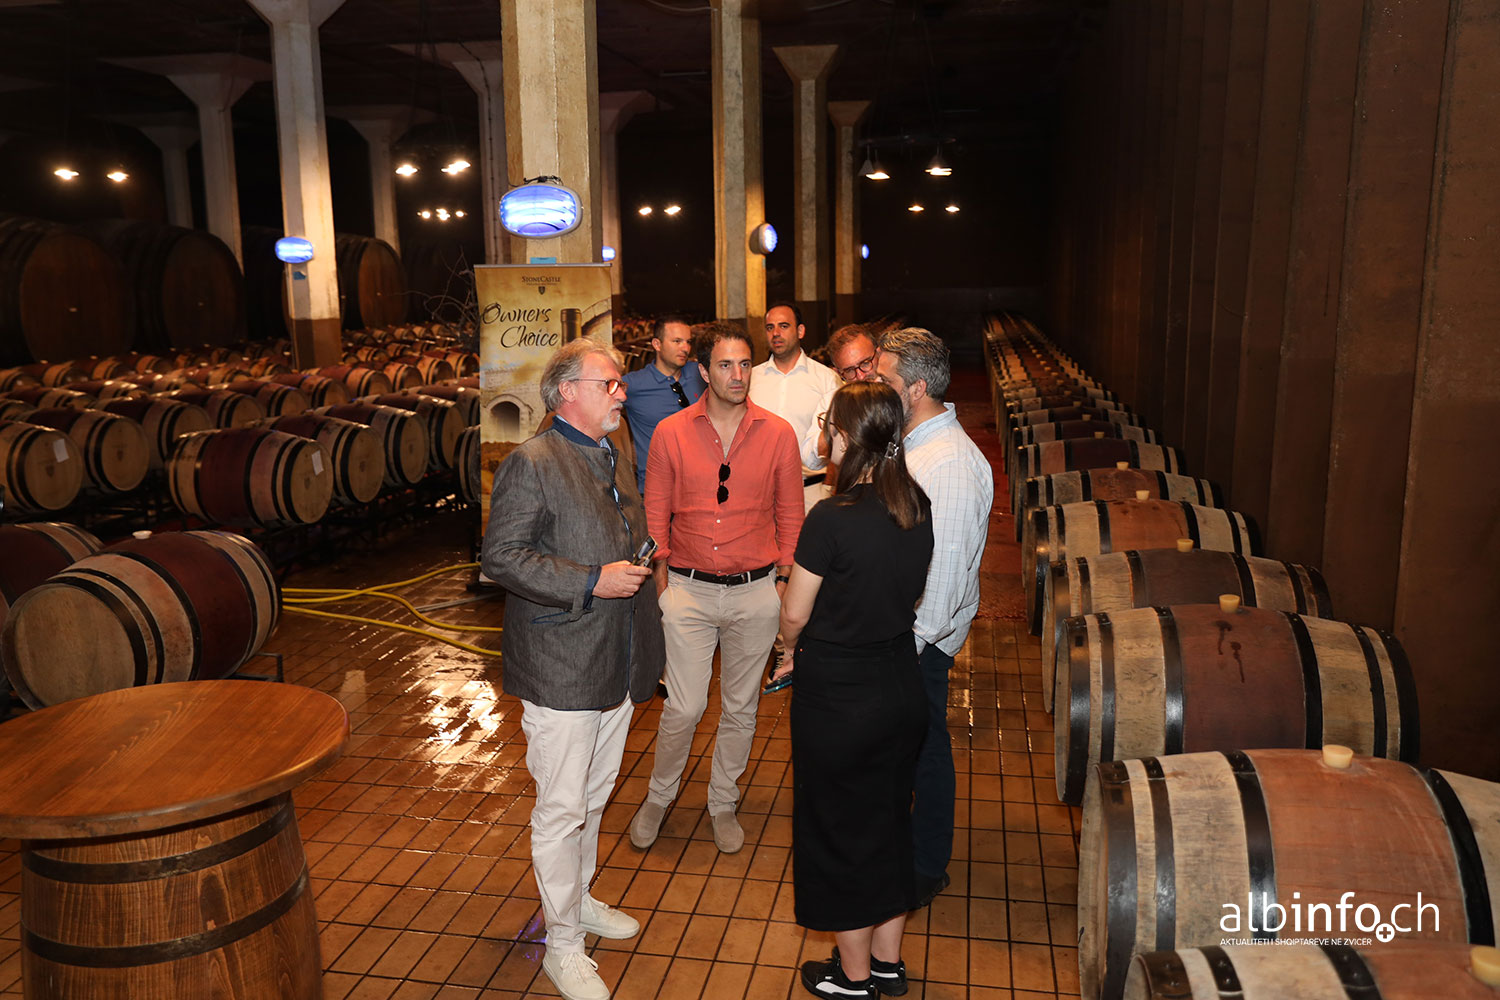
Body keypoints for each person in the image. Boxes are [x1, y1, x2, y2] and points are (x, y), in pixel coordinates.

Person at [481, 338, 664, 1000]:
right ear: (567, 393)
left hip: (616, 658)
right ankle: (561, 945)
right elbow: (501, 557)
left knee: (592, 798)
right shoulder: (532, 462)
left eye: (619, 383)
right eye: (608, 383)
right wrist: (593, 579)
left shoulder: (613, 453)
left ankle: (578, 901)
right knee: (561, 809)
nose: (621, 392)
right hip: (562, 665)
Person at [772, 381, 934, 1000]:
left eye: (829, 425)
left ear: (844, 436)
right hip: (899, 683)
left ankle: (854, 978)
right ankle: (888, 966)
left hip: (840, 696)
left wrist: (788, 650)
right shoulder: (916, 505)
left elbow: (795, 612)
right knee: (888, 824)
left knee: (839, 832)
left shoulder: (830, 517)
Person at [629, 322, 804, 855]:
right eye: (725, 365)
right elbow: (655, 513)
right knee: (683, 708)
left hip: (756, 590)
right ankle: (659, 796)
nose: (738, 375)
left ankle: (722, 801)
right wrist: (662, 583)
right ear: (702, 371)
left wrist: (781, 584)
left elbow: (791, 516)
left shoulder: (777, 433)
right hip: (688, 589)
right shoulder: (671, 433)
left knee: (741, 708)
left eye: (745, 364)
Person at [875, 327, 994, 907]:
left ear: (917, 388)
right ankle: (907, 849)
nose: (875, 387)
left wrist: (904, 650)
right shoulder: (913, 444)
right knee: (910, 749)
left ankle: (925, 866)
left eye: (884, 379)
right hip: (903, 634)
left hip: (918, 643)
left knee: (925, 752)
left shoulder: (947, 464)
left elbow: (943, 585)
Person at [749, 301, 839, 511]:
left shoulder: (826, 379)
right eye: (770, 327)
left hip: (811, 491)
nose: (776, 333)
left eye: (784, 326)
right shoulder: (751, 378)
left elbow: (839, 435)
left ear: (800, 331)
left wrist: (830, 487)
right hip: (759, 493)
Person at [621, 314, 705, 493]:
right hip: (656, 488)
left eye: (688, 342)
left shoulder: (699, 373)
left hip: (700, 484)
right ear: (657, 344)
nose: (685, 348)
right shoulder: (634, 384)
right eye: (677, 341)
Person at [799, 323, 882, 473]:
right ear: (838, 373)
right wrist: (839, 423)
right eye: (850, 371)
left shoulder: (900, 388)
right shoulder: (833, 399)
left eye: (865, 363)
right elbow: (810, 458)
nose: (861, 376)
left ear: (879, 354)